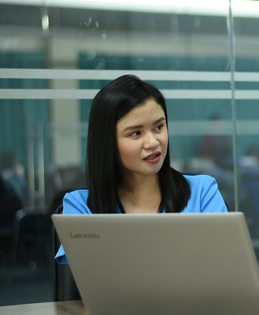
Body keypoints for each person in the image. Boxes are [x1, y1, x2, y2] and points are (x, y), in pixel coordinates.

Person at [55, 75, 228, 264]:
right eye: (136, 133)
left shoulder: (202, 192)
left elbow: (225, 267)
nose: (153, 142)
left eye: (159, 127)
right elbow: (91, 282)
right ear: (107, 142)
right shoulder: (80, 206)